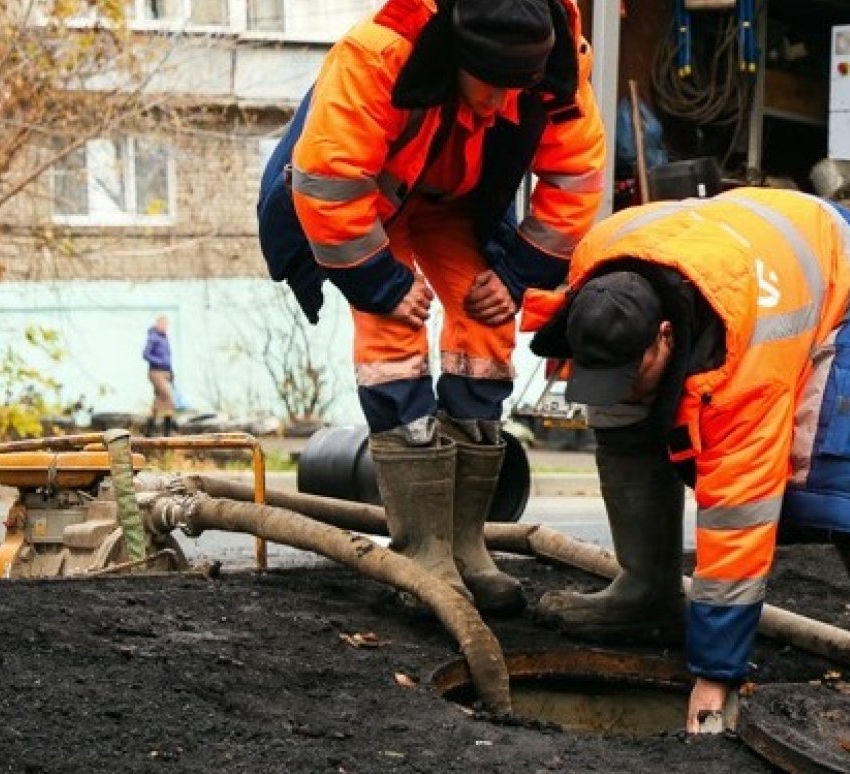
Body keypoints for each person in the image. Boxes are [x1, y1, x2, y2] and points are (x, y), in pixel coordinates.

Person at [523, 187, 850, 732]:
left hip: (848, 285)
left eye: (633, 371)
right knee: (622, 418)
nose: (622, 387)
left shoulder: (745, 365)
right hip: (731, 253)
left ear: (665, 335)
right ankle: (647, 594)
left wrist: (714, 674)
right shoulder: (598, 269)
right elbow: (624, 375)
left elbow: (738, 518)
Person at [258, 0, 606, 615]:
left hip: (457, 204)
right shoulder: (377, 55)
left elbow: (576, 178)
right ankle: (424, 553)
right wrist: (383, 280)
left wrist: (518, 273)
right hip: (369, 205)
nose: (503, 107)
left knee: (489, 324)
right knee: (393, 330)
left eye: (515, 91)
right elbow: (327, 184)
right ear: (456, 54)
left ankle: (466, 545)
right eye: (491, 88)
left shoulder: (553, 58)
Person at [142, 315, 175, 437]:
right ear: (157, 324)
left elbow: (168, 357)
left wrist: (171, 372)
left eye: (167, 325)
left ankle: (148, 432)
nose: (166, 327)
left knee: (158, 401)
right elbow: (145, 354)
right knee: (168, 398)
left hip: (165, 372)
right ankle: (167, 433)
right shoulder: (153, 337)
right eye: (163, 324)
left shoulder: (165, 338)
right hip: (155, 372)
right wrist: (159, 362)